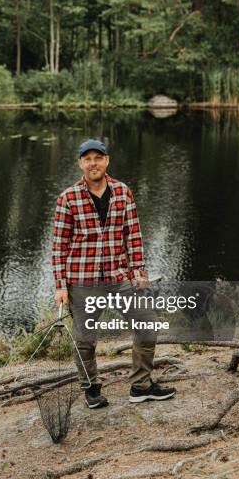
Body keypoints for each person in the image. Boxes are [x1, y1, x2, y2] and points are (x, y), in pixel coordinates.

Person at [52, 138, 176, 409]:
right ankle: (92, 388)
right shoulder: (67, 198)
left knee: (147, 324)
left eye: (98, 158)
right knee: (85, 340)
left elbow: (133, 237)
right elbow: (59, 246)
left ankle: (141, 386)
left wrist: (139, 273)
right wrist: (61, 286)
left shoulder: (123, 192)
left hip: (119, 278)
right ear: (80, 163)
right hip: (82, 281)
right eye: (87, 159)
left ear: (106, 160)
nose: (93, 163)